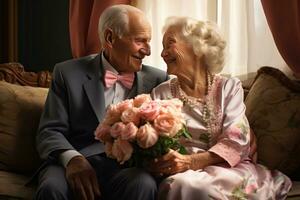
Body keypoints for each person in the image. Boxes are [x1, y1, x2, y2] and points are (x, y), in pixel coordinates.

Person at [35, 4, 168, 200]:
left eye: (148, 42)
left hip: (127, 168)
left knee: (143, 183)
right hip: (74, 160)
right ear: (110, 38)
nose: (147, 51)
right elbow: (50, 131)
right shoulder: (67, 73)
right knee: (51, 188)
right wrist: (73, 159)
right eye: (140, 41)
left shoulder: (159, 80)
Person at [150, 16, 292, 200]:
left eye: (170, 44)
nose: (163, 54)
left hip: (228, 169)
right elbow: (153, 144)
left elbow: (237, 139)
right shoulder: (160, 93)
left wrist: (190, 161)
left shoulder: (228, 87)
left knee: (189, 185)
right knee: (183, 184)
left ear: (197, 47)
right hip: (182, 174)